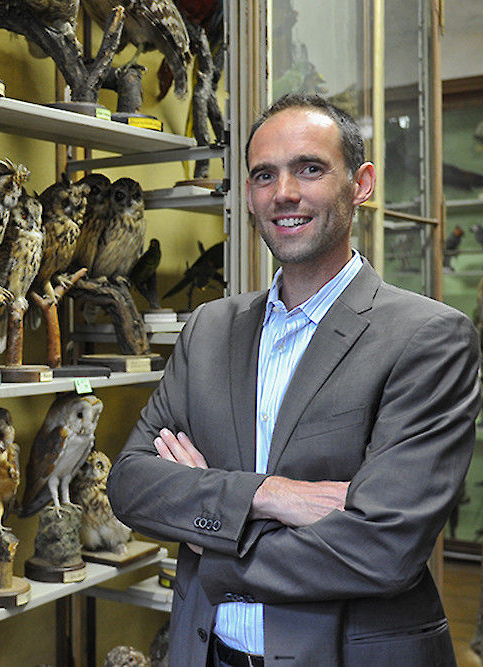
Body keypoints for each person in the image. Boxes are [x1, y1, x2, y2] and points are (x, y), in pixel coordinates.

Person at [106, 93, 481, 667]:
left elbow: (385, 548)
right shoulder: (209, 328)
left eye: (309, 168)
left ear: (361, 184)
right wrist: (271, 495)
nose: (284, 193)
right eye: (263, 175)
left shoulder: (429, 338)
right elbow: (131, 483)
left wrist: (213, 537)